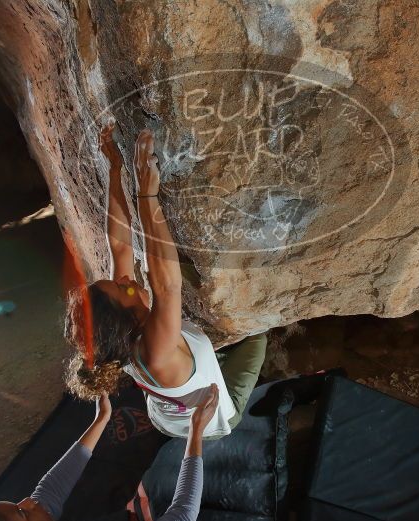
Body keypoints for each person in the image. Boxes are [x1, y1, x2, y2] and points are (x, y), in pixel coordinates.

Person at [64, 123, 267, 439]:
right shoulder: (155, 352)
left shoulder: (116, 339)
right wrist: (147, 194)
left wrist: (115, 170)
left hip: (165, 410)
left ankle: (204, 361)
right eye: (121, 288)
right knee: (258, 335)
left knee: (200, 351)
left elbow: (119, 246)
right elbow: (167, 285)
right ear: (127, 318)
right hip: (207, 422)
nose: (124, 280)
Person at [0, 384, 219, 521]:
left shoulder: (38, 516)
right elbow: (182, 520)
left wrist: (101, 419)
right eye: (22, 512)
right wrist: (195, 430)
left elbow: (49, 491)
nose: (28, 501)